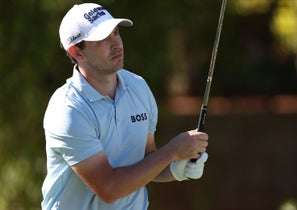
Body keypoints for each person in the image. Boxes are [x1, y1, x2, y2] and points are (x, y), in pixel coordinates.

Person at [41, 3, 209, 210]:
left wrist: (177, 170)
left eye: (116, 33)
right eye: (103, 39)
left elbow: (147, 160)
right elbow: (109, 189)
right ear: (76, 51)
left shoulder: (138, 87)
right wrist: (173, 151)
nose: (116, 44)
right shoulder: (68, 110)